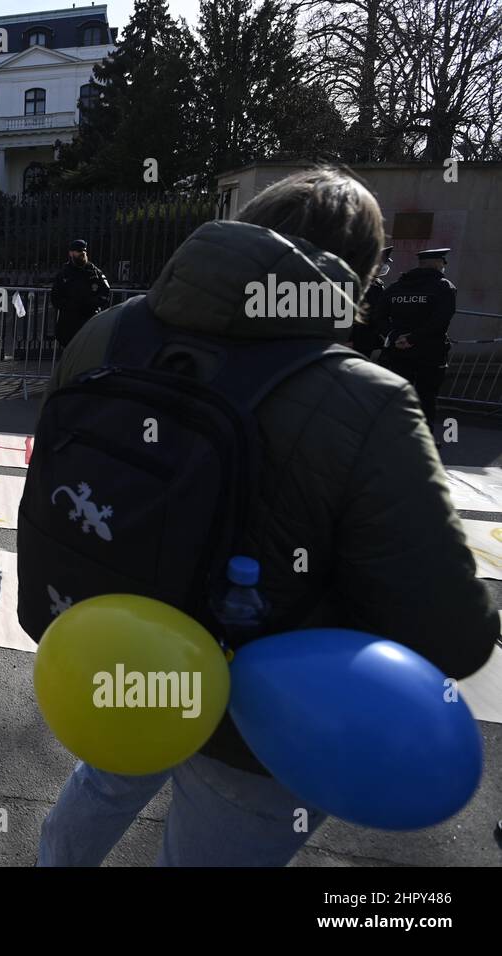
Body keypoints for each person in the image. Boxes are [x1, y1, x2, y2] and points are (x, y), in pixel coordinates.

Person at [34, 169, 495, 866]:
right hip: (260, 725)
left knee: (103, 780)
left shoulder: (108, 333)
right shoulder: (368, 399)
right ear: (355, 275)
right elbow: (452, 636)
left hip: (115, 652)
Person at [373, 247, 457, 428]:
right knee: (426, 396)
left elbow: (378, 317)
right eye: (443, 263)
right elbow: (440, 321)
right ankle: (422, 438)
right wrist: (412, 339)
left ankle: (391, 434)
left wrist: (395, 336)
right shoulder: (444, 287)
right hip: (430, 352)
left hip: (397, 351)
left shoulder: (396, 287)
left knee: (396, 394)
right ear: (438, 263)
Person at [49, 239, 111, 355]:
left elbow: (105, 293)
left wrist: (92, 303)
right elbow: (55, 298)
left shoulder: (94, 272)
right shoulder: (64, 274)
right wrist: (71, 305)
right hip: (70, 323)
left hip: (90, 320)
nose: (82, 253)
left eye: (84, 251)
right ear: (71, 253)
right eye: (78, 251)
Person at [348, 245, 393, 357]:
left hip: (367, 337)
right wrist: (350, 338)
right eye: (383, 263)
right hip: (356, 339)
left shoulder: (376, 282)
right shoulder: (360, 281)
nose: (385, 266)